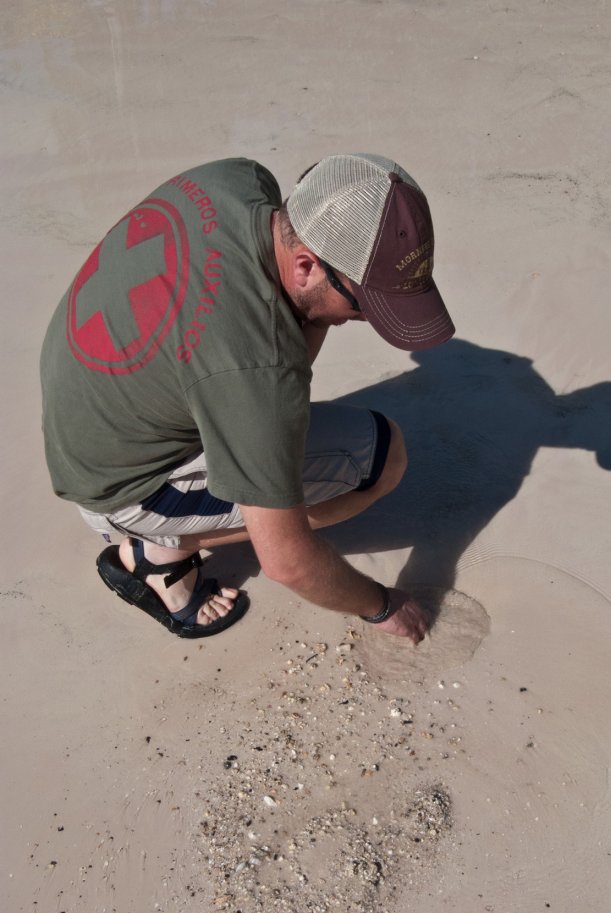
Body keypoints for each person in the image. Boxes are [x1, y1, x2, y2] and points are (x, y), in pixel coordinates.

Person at [40, 154, 454, 643]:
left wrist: (322, 316)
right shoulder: (256, 368)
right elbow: (288, 563)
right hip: (118, 486)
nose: (366, 319)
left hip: (87, 413)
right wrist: (382, 606)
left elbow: (271, 350)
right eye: (366, 304)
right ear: (305, 265)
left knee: (274, 392)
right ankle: (155, 557)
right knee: (383, 458)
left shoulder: (235, 180)